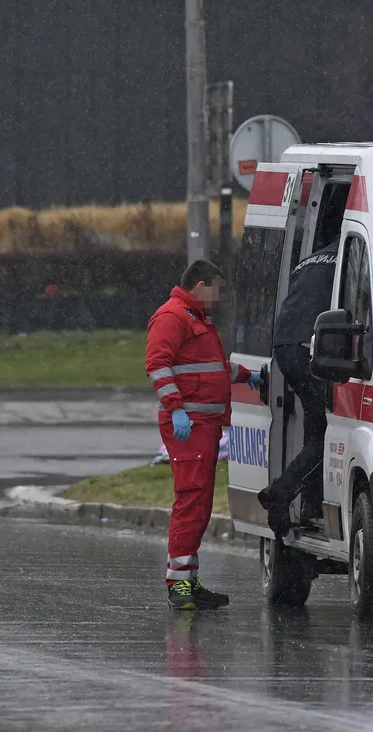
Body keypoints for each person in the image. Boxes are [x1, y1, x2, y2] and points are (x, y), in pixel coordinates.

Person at [147, 259, 263, 610]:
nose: (221, 298)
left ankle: (188, 578)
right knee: (191, 502)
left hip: (202, 427)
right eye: (218, 290)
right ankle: (178, 584)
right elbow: (157, 365)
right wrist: (176, 408)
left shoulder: (195, 320)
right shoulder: (173, 317)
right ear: (201, 285)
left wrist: (245, 375)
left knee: (199, 505)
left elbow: (211, 367)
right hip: (190, 426)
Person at [257, 240, 340, 536]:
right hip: (311, 346)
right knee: (328, 432)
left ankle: (310, 505)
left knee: (315, 421)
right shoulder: (354, 253)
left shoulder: (312, 259)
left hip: (285, 344)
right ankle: (281, 492)